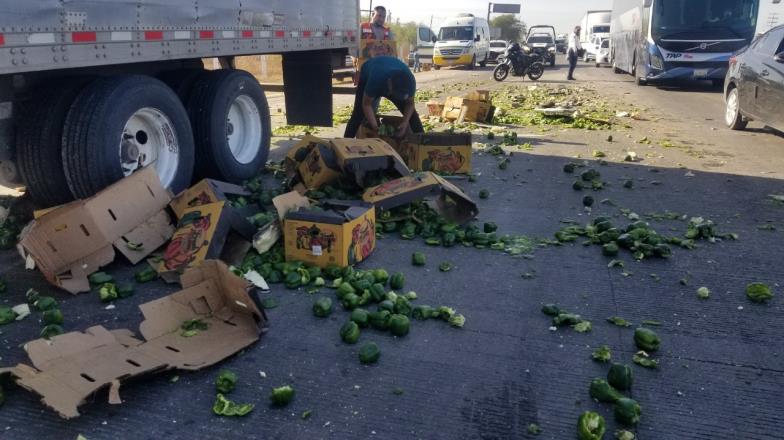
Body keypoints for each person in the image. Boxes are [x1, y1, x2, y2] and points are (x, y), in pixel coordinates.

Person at [344, 55, 424, 138]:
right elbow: (366, 104)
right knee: (358, 115)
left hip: (390, 69)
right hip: (370, 71)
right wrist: (375, 127)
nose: (396, 97)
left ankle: (424, 142)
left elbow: (410, 104)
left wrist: (405, 122)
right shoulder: (376, 80)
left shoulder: (410, 82)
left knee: (412, 116)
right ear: (389, 84)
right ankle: (344, 142)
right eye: (395, 94)